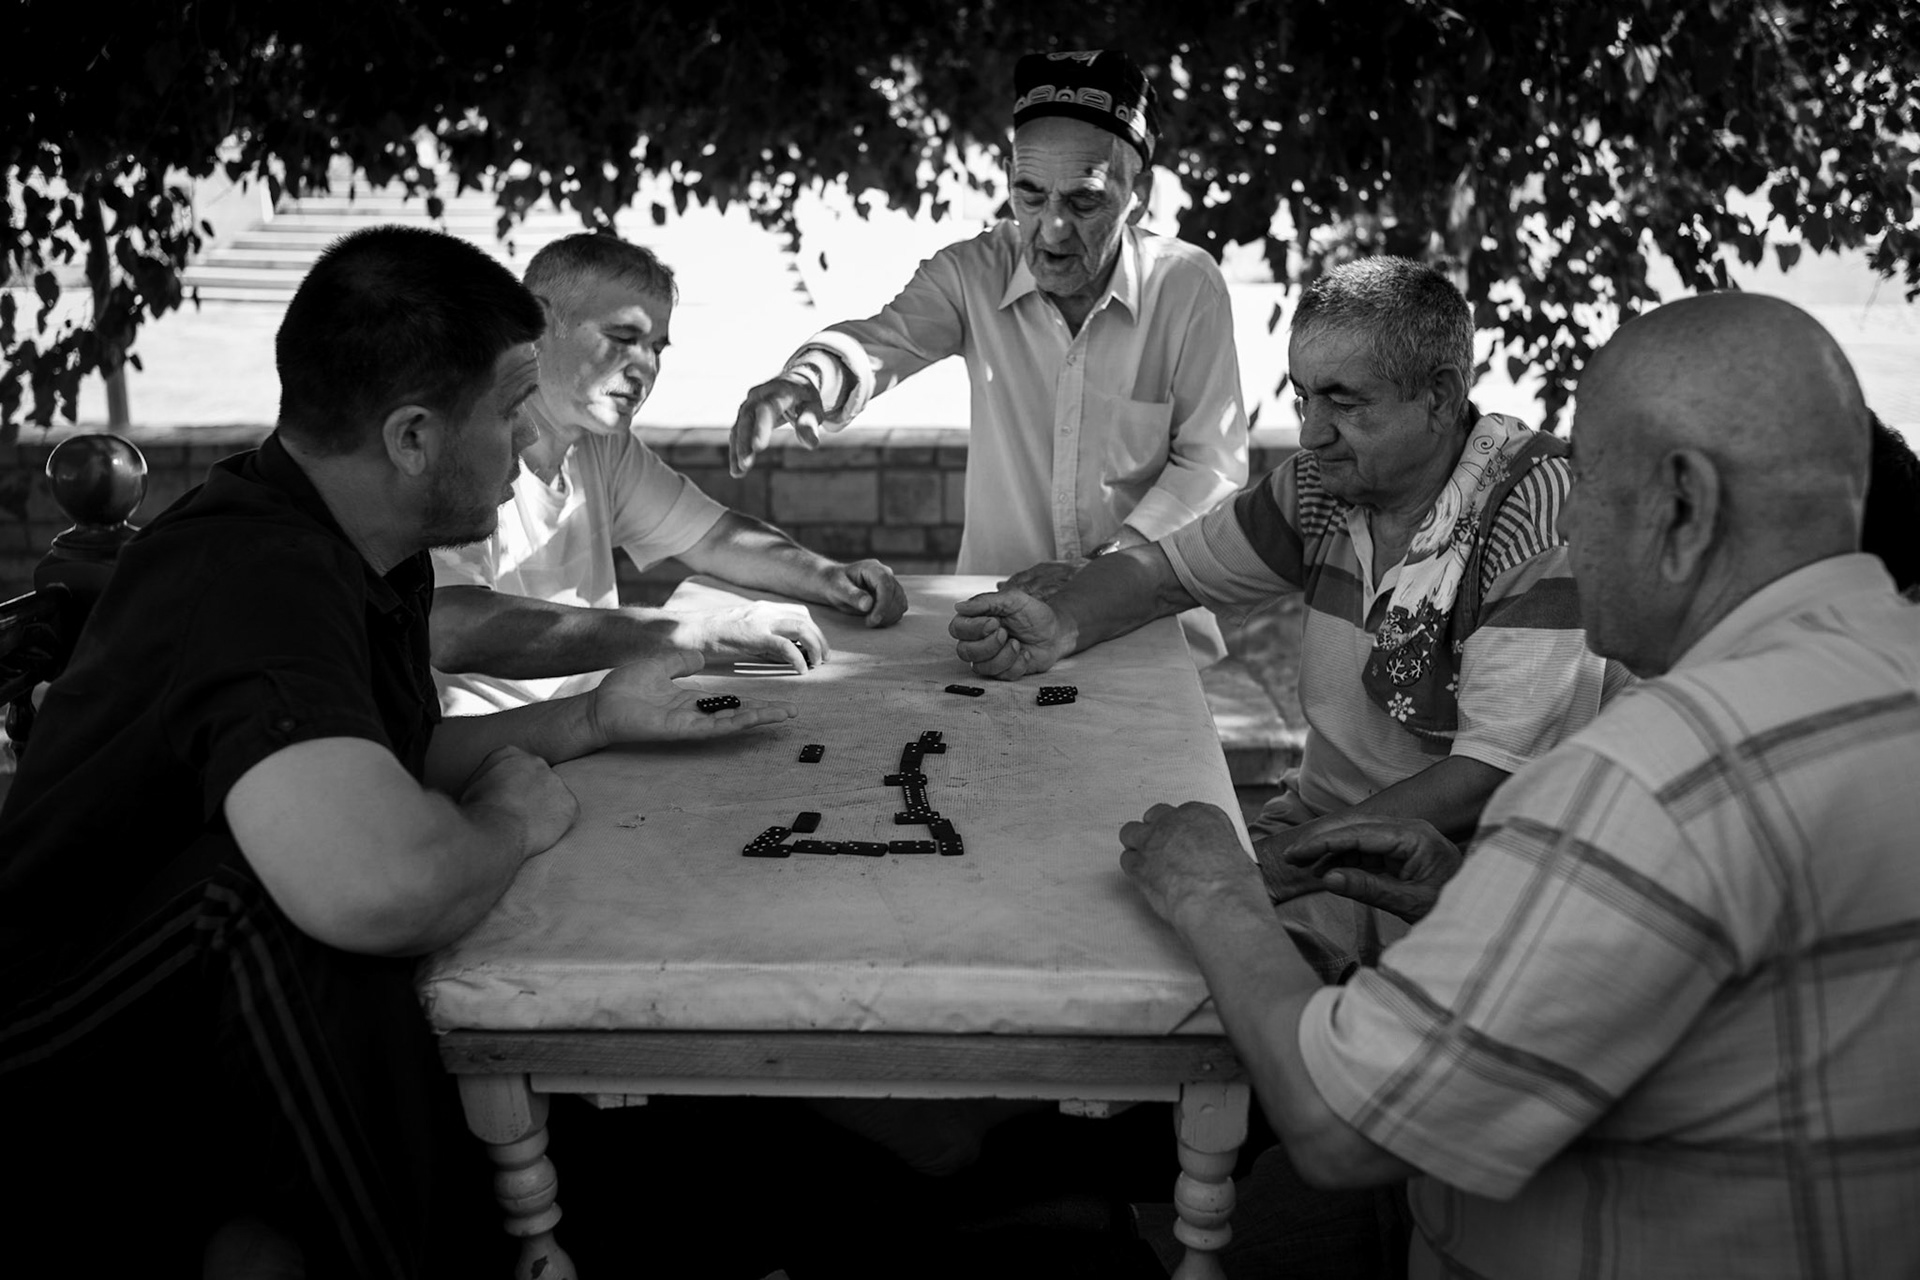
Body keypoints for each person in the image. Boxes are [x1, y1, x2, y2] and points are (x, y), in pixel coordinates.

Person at [0, 225, 793, 1279]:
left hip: (210, 1051)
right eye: (512, 406)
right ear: (414, 436)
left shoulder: (361, 544)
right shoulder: (258, 576)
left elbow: (386, 761)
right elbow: (381, 882)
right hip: (70, 1087)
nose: (529, 438)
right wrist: (509, 819)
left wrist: (590, 720)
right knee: (260, 901)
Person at [1120, 291, 1920, 1278]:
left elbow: (1340, 1121)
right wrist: (1468, 893)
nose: (1567, 521)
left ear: (1683, 505)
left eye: (1583, 478)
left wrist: (1217, 886)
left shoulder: (1654, 772)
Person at [952, 256, 1621, 935]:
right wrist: (1058, 622)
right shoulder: (1322, 489)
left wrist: (1252, 873)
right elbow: (1163, 574)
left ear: (1441, 396)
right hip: (1325, 834)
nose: (1311, 433)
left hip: (1464, 879)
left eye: (1345, 402)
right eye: (1304, 397)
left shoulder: (1535, 513)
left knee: (1169, 950)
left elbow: (1488, 774)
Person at [725, 48, 1247, 660]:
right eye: (1028, 195)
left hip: (1147, 626)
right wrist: (810, 377)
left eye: (1083, 201)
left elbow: (1210, 464)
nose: (1051, 230)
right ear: (1007, 178)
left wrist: (1105, 573)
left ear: (1140, 193)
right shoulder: (973, 271)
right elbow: (884, 339)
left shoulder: (1188, 286)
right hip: (996, 625)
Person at [431, 232, 907, 713]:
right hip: (487, 757)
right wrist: (695, 630)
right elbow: (453, 626)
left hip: (586, 728)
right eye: (621, 338)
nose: (644, 368)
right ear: (539, 321)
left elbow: (717, 537)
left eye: (657, 347)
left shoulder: (603, 446)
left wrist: (830, 577)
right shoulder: (466, 436)